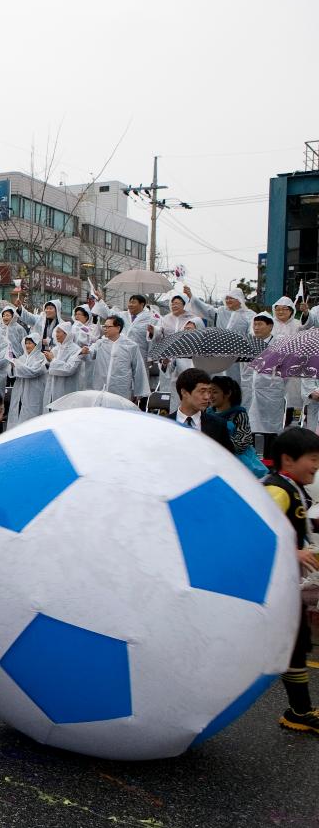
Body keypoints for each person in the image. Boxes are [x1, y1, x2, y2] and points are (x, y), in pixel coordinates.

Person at [260, 427, 319, 734]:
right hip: (273, 587)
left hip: (285, 585)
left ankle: (300, 711)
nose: (316, 465)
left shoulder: (290, 486)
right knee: (293, 646)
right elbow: (257, 530)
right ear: (287, 459)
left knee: (297, 646)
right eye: (312, 458)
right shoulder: (278, 490)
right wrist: (293, 552)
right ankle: (300, 711)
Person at [188, 285, 255, 383]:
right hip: (220, 354)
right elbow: (206, 309)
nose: (228, 300)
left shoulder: (249, 315)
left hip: (239, 356)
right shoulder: (220, 312)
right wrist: (192, 297)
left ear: (239, 299)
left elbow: (253, 333)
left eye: (231, 298)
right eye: (226, 298)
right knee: (220, 381)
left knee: (239, 382)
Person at [248, 312, 287, 457]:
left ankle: (271, 459)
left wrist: (276, 382)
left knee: (271, 427)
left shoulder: (280, 342)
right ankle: (254, 459)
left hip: (273, 391)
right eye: (255, 324)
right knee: (253, 424)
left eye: (260, 324)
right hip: (254, 390)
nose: (256, 328)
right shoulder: (251, 342)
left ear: (270, 326)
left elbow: (285, 368)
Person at [168, 368, 234, 452]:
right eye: (202, 391)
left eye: (209, 392)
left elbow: (227, 459)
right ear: (184, 392)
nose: (207, 397)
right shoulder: (165, 424)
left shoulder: (218, 425)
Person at [89, 316, 150, 403]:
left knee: (120, 413)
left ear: (118, 328)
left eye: (108, 327)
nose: (105, 329)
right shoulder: (100, 343)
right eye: (104, 326)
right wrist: (86, 351)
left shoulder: (130, 346)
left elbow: (138, 369)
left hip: (121, 390)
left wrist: (138, 392)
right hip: (101, 388)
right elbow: (90, 353)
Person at [44, 323, 87, 406]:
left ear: (67, 334)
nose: (56, 335)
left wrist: (52, 360)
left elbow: (69, 369)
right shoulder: (56, 349)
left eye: (59, 332)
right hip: (52, 388)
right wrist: (47, 361)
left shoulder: (75, 349)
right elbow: (49, 367)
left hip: (67, 388)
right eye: (56, 332)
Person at [210, 376, 255, 457]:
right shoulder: (207, 413)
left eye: (215, 392)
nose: (210, 396)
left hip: (235, 460)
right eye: (209, 392)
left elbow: (243, 442)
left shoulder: (239, 414)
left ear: (228, 393)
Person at [9, 335, 48, 426]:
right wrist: (12, 366)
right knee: (17, 416)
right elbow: (12, 374)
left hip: (34, 392)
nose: (27, 345)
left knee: (32, 417)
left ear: (36, 344)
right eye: (26, 343)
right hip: (19, 393)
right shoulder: (21, 358)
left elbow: (34, 372)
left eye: (30, 343)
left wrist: (17, 365)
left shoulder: (42, 357)